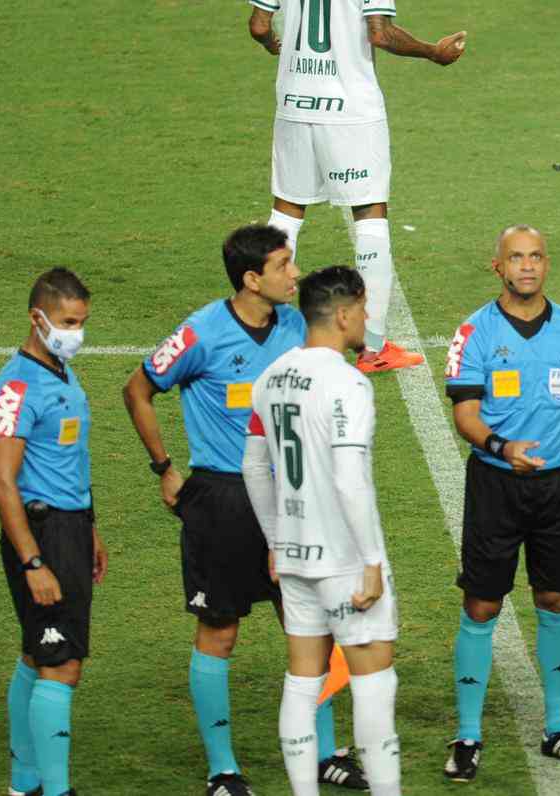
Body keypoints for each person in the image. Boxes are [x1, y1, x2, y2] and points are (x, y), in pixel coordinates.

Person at [121, 226, 366, 795]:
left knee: (312, 626)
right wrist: (165, 469)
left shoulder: (295, 326)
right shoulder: (199, 333)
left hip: (294, 495)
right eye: (284, 265)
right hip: (223, 500)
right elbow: (137, 389)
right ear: (252, 279)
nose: (294, 273)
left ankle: (328, 752)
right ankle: (222, 769)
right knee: (220, 630)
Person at [441, 225, 560, 782]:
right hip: (496, 485)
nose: (527, 266)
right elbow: (464, 413)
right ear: (497, 266)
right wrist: (501, 447)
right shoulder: (473, 332)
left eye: (536, 257)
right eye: (516, 258)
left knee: (556, 599)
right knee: (482, 605)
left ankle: (559, 727)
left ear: (547, 264)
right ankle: (467, 735)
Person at [242, 266, 402, 796]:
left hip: (292, 554)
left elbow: (252, 467)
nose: (366, 317)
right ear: (342, 314)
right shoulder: (348, 381)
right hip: (342, 560)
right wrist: (372, 561)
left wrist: (273, 541)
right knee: (374, 684)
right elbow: (350, 476)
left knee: (302, 680)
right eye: (361, 307)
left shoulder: (270, 377)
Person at [245, 0, 467, 373]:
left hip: (294, 103)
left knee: (286, 212)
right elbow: (380, 33)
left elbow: (258, 25)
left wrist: (272, 45)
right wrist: (433, 52)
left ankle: (258, 329)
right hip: (351, 112)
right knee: (370, 214)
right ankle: (373, 346)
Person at [0, 268, 109, 796]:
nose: (76, 332)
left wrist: (90, 528)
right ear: (37, 318)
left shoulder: (59, 370)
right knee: (62, 665)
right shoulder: (15, 387)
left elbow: (67, 460)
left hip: (70, 527)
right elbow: (2, 482)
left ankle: (24, 785)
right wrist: (35, 562)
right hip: (43, 535)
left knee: (37, 655)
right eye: (67, 321)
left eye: (81, 321)